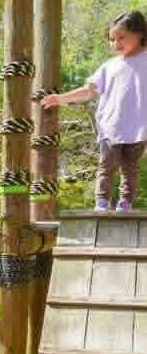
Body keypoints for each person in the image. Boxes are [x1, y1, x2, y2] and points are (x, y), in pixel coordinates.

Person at [42, 11, 147, 212]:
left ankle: (125, 202)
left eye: (121, 37)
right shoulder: (109, 66)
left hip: (138, 128)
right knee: (106, 166)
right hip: (111, 127)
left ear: (140, 33)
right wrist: (60, 98)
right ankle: (101, 202)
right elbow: (88, 91)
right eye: (111, 39)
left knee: (130, 169)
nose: (116, 44)